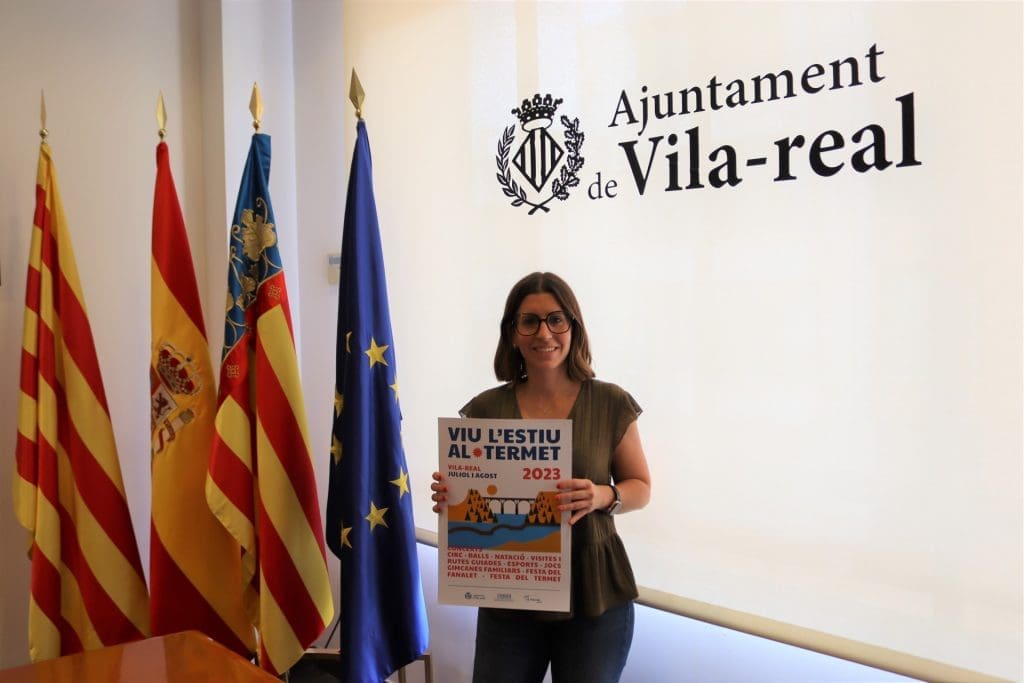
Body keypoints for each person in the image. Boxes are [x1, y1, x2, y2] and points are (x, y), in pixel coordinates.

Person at [431, 271, 652, 683]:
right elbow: (469, 494)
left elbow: (640, 487)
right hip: (509, 591)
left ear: (573, 327)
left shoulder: (610, 402)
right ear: (512, 332)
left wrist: (602, 495)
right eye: (529, 321)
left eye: (556, 319)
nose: (544, 333)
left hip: (595, 593)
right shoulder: (485, 409)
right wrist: (451, 498)